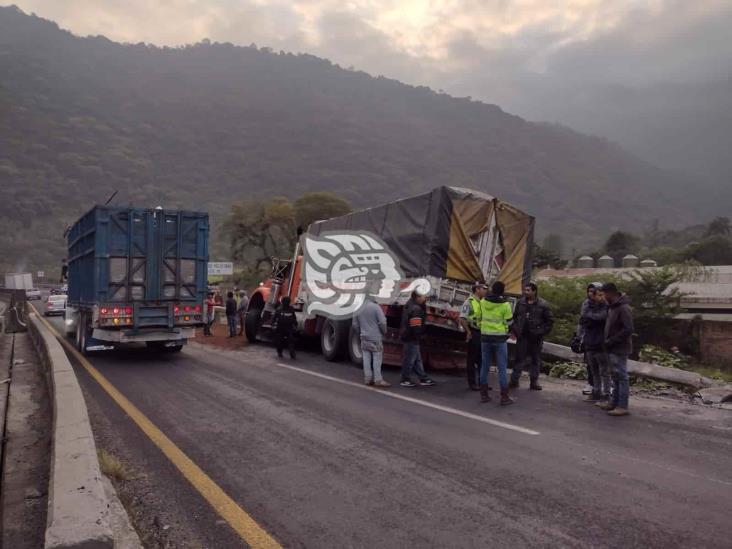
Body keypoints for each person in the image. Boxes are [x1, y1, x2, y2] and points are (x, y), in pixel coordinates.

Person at [509, 282, 554, 391]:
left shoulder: (543, 305)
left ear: (534, 291)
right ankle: (514, 380)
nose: (526, 292)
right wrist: (515, 330)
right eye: (525, 290)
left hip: (536, 337)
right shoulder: (521, 303)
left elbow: (550, 321)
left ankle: (534, 381)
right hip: (522, 336)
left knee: (535, 359)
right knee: (519, 358)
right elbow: (514, 317)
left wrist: (541, 332)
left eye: (528, 290)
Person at [598, 282, 634, 416]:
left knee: (622, 376)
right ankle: (614, 402)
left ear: (610, 293)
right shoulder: (612, 307)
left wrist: (612, 340)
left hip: (620, 347)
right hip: (611, 347)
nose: (603, 297)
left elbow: (628, 329)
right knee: (615, 376)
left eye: (604, 294)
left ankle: (622, 405)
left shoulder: (623, 308)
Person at [479, 281, 514, 405]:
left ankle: (483, 395)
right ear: (502, 291)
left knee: (484, 366)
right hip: (499, 339)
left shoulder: (482, 302)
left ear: (492, 290)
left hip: (485, 338)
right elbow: (509, 322)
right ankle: (504, 397)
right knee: (502, 367)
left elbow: (478, 317)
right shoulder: (505, 305)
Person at [580, 283, 611, 403]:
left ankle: (606, 394)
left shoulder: (606, 307)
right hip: (590, 341)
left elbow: (601, 318)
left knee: (604, 371)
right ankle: (596, 392)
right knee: (594, 371)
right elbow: (583, 319)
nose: (599, 297)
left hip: (601, 343)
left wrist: (590, 317)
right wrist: (590, 318)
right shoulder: (589, 305)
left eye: (601, 294)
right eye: (597, 294)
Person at [399, 289, 436, 388]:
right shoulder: (416, 309)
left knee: (416, 359)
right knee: (410, 359)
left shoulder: (410, 304)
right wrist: (420, 336)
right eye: (424, 296)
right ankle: (405, 379)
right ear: (418, 297)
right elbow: (416, 326)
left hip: (408, 335)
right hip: (411, 337)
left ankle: (423, 378)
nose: (426, 298)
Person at [353, 297, 390, 388]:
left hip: (364, 336)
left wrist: (360, 332)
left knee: (366, 357)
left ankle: (368, 378)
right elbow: (382, 322)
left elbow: (354, 324)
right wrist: (384, 332)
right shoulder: (376, 307)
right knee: (377, 357)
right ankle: (378, 379)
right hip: (375, 337)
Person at [460, 282, 488, 391]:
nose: (486, 290)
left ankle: (482, 383)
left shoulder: (483, 302)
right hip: (474, 332)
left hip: (482, 333)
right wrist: (468, 332)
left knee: (482, 359)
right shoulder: (469, 302)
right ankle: (472, 383)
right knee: (471, 359)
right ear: (477, 289)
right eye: (484, 288)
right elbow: (462, 319)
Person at [577, 283, 600, 395]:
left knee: (602, 364)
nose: (590, 294)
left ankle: (604, 386)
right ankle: (591, 384)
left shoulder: (602, 304)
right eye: (589, 291)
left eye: (593, 291)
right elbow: (582, 320)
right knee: (589, 363)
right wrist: (579, 335)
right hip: (588, 337)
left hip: (600, 338)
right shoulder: (586, 304)